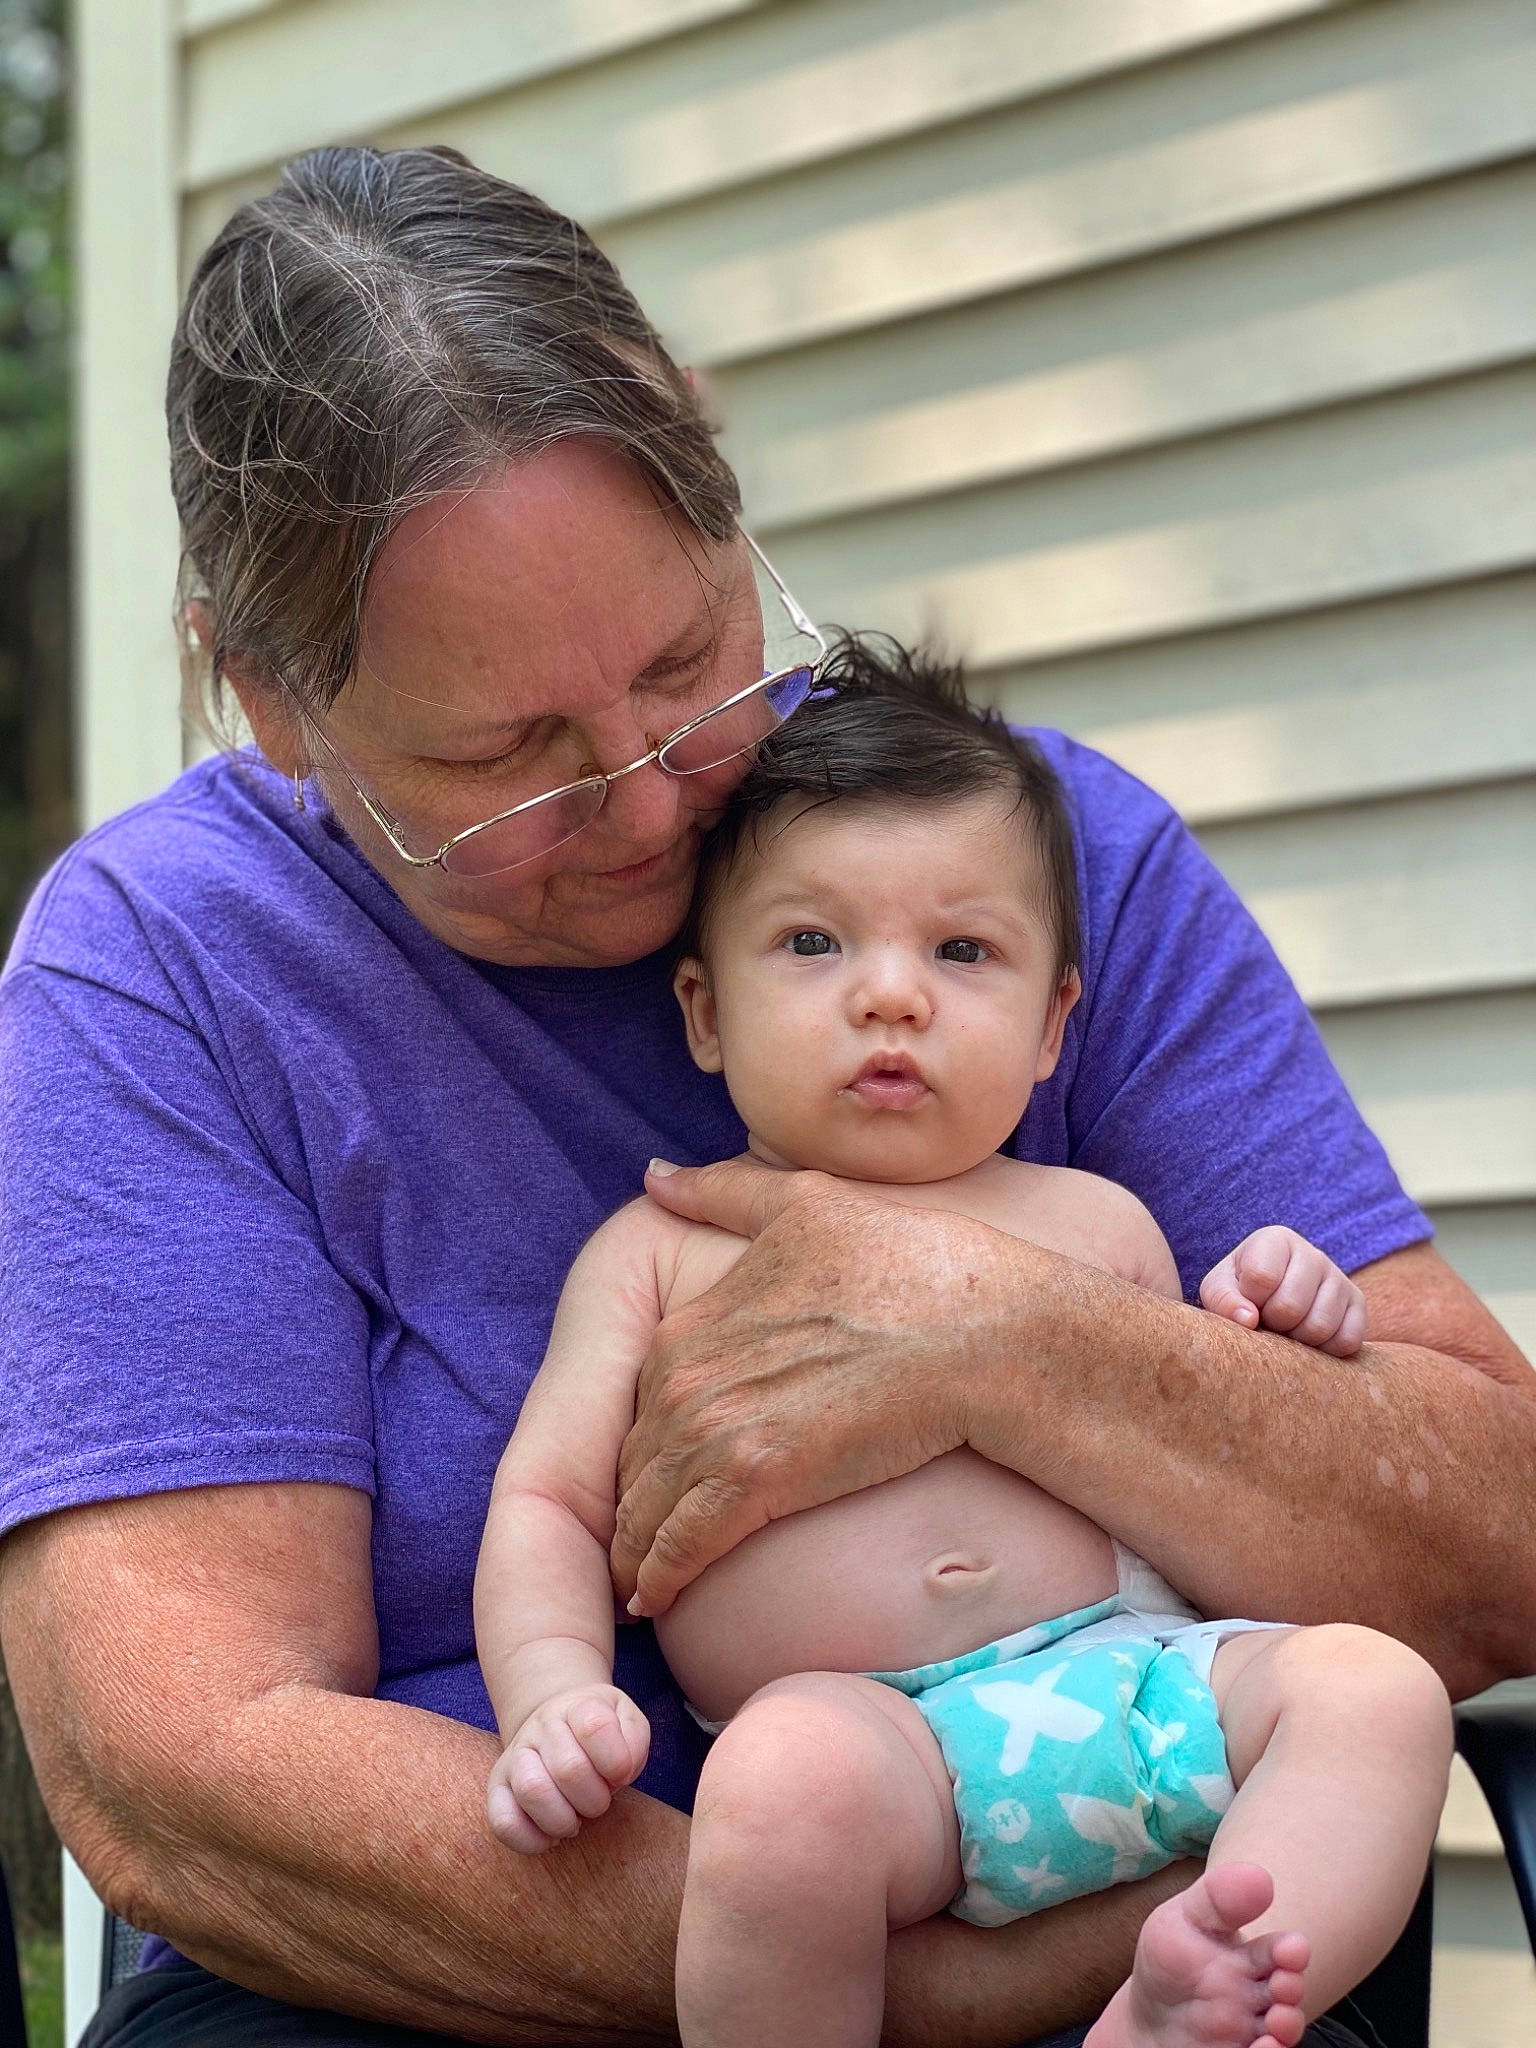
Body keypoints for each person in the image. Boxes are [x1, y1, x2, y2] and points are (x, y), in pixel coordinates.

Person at [0, 142, 1529, 2048]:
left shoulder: (1016, 862)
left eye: (688, 668)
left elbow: (1495, 1541)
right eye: (515, 760)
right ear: (274, 707)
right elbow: (188, 1777)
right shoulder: (165, 966)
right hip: (467, 1982)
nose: (652, 812)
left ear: (721, 485)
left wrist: (986, 1328)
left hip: (1175, 1907)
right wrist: (899, 1968)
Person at [475, 649, 1453, 2048]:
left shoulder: (1099, 1220)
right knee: (770, 1796)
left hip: (1142, 1684)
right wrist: (553, 1696)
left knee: (1378, 1695)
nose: (891, 997)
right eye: (814, 944)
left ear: (1056, 1025)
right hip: (879, 1755)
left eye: (962, 951)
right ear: (704, 1010)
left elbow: (1223, 1447)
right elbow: (549, 1502)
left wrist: (1285, 1308)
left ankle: (1184, 1995)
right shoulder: (659, 1252)